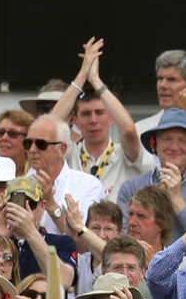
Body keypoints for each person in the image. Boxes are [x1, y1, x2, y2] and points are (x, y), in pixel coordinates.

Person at [52, 38, 152, 200]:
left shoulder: (123, 153)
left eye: (99, 112)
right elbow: (51, 124)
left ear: (111, 118)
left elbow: (128, 129)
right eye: (85, 114)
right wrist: (83, 74)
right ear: (75, 121)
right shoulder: (70, 152)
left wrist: (95, 80)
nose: (93, 120)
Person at [118, 109, 186, 239]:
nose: (174, 147)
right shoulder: (131, 188)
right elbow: (123, 237)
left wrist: (177, 199)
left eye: (182, 140)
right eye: (167, 139)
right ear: (154, 144)